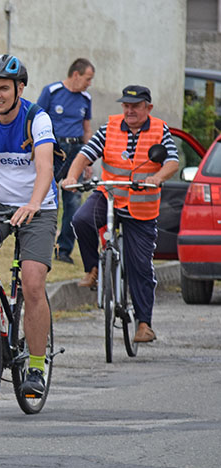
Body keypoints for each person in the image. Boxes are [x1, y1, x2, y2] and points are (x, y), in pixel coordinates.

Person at [0, 54, 57, 398]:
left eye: (3, 87)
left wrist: (33, 203)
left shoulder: (38, 118)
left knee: (33, 282)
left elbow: (45, 167)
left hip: (39, 207)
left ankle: (35, 365)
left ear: (20, 88)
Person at [61, 85, 178, 343]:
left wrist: (157, 177)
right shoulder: (110, 128)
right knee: (80, 220)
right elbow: (85, 154)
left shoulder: (160, 129)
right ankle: (93, 268)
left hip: (142, 206)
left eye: (135, 106)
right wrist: (71, 176)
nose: (129, 110)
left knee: (140, 266)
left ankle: (144, 324)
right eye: (125, 105)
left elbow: (172, 161)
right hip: (110, 195)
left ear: (148, 108)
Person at [37, 58, 95, 264]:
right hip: (54, 150)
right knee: (48, 197)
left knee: (73, 201)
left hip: (77, 151)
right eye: (88, 79)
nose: (89, 83)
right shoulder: (52, 91)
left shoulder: (86, 98)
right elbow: (36, 119)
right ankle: (42, 244)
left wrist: (88, 162)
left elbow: (87, 129)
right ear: (76, 74)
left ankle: (64, 250)